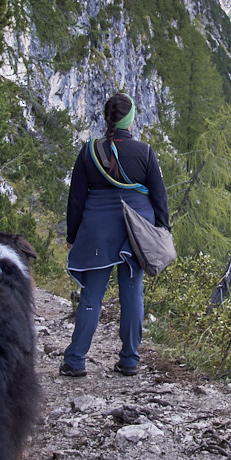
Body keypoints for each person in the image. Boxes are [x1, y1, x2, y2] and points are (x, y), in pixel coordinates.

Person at [61, 93, 169, 377]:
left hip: (97, 231)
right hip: (136, 231)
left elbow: (76, 199)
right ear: (131, 119)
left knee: (91, 296)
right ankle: (130, 360)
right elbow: (159, 197)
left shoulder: (88, 151)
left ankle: (75, 361)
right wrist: (162, 230)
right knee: (132, 293)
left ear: (106, 118)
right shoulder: (145, 152)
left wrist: (72, 234)